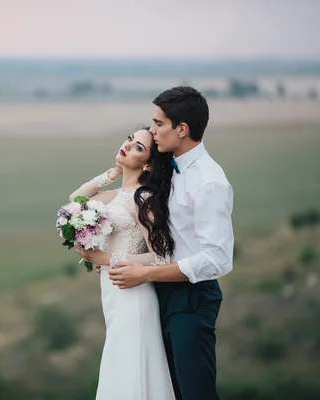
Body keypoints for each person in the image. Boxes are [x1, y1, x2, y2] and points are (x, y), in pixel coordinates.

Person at [77, 86, 234, 400]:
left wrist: (143, 272)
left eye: (158, 124)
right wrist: (128, 259)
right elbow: (157, 235)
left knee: (195, 393)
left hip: (191, 300)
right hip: (156, 295)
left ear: (182, 129)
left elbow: (217, 260)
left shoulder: (209, 181)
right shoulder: (169, 172)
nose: (152, 130)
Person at [68, 126, 176, 399]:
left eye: (138, 147)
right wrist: (113, 173)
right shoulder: (113, 196)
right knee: (119, 366)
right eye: (130, 140)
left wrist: (108, 259)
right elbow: (76, 199)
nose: (128, 146)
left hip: (134, 296)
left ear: (148, 163)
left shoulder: (145, 200)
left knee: (131, 369)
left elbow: (161, 257)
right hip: (113, 295)